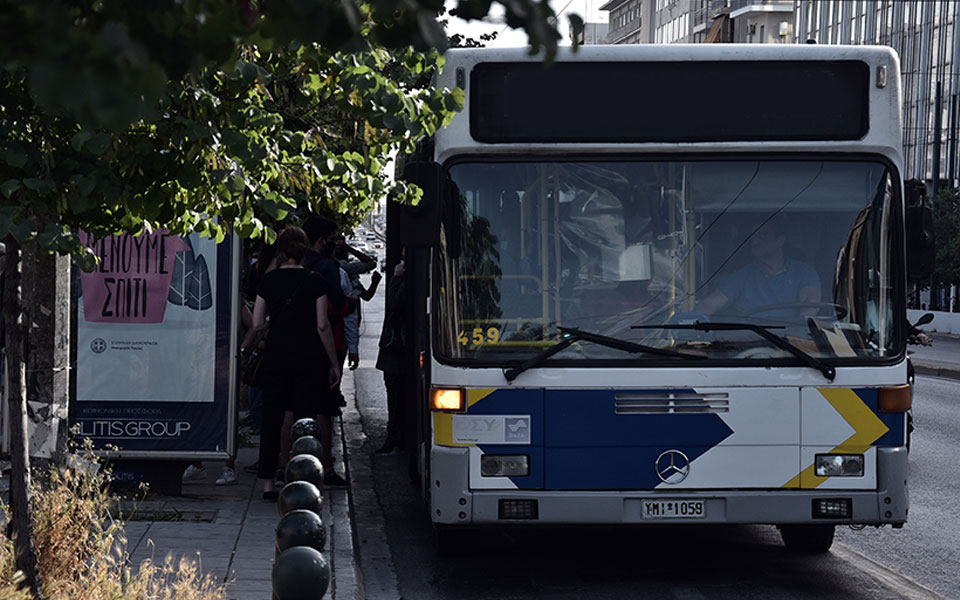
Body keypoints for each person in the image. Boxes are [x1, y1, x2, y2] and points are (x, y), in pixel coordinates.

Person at [251, 226, 340, 501]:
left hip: (276, 357)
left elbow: (256, 324)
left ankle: (268, 484)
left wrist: (275, 323)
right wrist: (334, 364)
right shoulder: (315, 281)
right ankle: (302, 477)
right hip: (308, 359)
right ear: (304, 251)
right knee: (305, 420)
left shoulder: (268, 281)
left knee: (273, 420)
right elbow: (323, 326)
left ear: (280, 250)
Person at [697, 217, 821, 319]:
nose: (755, 241)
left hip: (794, 341)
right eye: (753, 236)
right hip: (751, 341)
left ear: (780, 241)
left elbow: (811, 303)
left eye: (762, 236)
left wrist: (799, 326)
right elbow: (709, 304)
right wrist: (693, 320)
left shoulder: (804, 272)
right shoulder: (742, 276)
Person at [375, 256, 407, 454]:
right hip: (397, 347)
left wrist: (396, 278)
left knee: (394, 393)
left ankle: (395, 433)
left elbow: (396, 302)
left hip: (398, 348)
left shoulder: (404, 276)